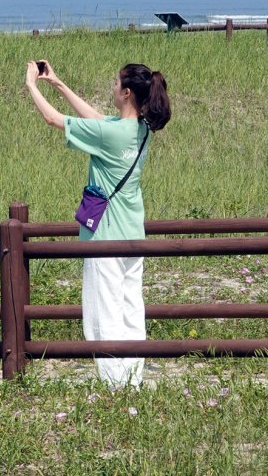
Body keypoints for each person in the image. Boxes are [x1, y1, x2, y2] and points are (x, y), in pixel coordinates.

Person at [25, 60, 171, 388]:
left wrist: (32, 86)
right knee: (131, 309)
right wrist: (58, 83)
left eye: (116, 83)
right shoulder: (141, 131)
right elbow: (96, 119)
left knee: (102, 315)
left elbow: (53, 119)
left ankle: (114, 386)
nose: (112, 87)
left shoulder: (112, 134)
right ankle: (131, 382)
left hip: (105, 237)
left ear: (127, 92)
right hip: (133, 234)